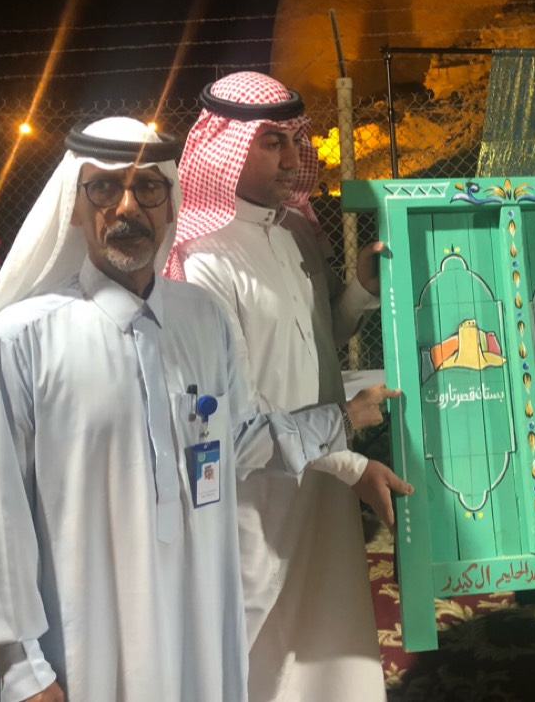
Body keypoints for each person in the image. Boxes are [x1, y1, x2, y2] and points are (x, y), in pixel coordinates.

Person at [0, 117, 401, 702]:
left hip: (199, 627)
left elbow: (240, 441)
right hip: (86, 641)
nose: (127, 206)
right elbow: (0, 514)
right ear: (74, 206)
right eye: (104, 187)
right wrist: (24, 670)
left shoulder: (201, 318)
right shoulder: (23, 339)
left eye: (148, 188)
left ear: (170, 202)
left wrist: (340, 419)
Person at [165, 71, 399, 701]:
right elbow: (236, 407)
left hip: (324, 479)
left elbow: (319, 338)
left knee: (329, 635)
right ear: (228, 148)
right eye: (272, 142)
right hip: (256, 495)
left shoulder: (296, 231)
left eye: (296, 140)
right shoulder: (202, 260)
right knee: (256, 646)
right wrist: (348, 451)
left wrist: (361, 289)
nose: (292, 159)